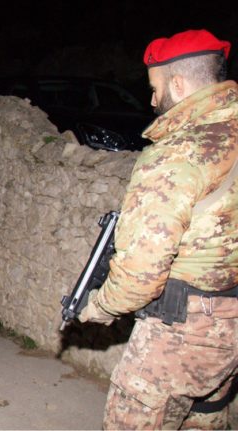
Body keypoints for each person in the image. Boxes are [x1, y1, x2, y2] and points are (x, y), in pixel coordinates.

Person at [79, 29, 238, 429]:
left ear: (178, 84)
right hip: (230, 328)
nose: (152, 101)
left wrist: (99, 307)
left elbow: (141, 273)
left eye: (155, 88)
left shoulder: (176, 155)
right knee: (207, 417)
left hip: (182, 332)